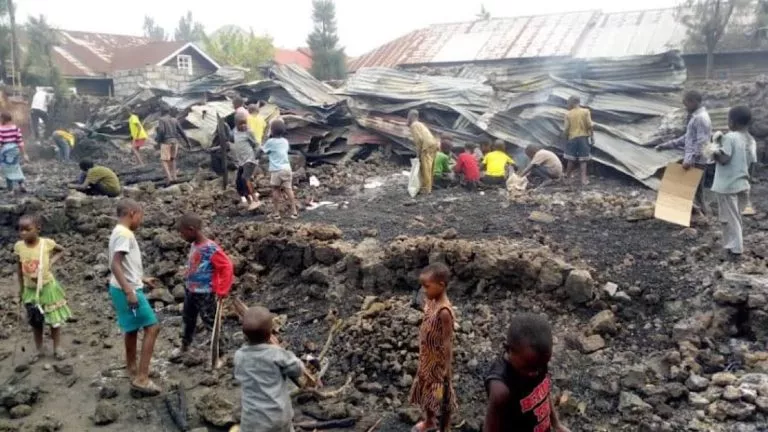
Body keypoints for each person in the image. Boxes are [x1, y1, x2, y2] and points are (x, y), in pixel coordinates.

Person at [108, 199, 162, 396]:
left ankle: (132, 367)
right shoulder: (125, 234)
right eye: (141, 216)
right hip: (127, 290)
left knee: (131, 328)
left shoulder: (117, 231)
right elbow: (115, 264)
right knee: (152, 327)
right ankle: (142, 378)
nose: (141, 221)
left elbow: (123, 265)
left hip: (119, 287)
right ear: (132, 213)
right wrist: (130, 291)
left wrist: (141, 278)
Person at [234, 306, 316, 432]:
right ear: (270, 333)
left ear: (244, 335)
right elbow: (297, 369)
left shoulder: (239, 356)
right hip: (279, 417)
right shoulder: (276, 353)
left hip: (253, 421)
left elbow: (240, 375)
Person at [484, 314, 570, 432]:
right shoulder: (501, 389)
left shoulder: (537, 362)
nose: (535, 373)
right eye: (528, 368)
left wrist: (556, 424)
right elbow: (490, 428)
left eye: (541, 366)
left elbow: (543, 395)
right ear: (508, 349)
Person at [15, 214, 73, 362]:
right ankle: (39, 349)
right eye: (20, 230)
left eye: (27, 229)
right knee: (36, 321)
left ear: (38, 229)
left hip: (47, 288)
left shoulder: (46, 244)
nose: (23, 233)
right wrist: (21, 289)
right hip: (30, 290)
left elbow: (62, 250)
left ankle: (57, 347)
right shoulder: (19, 247)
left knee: (54, 320)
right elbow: (19, 269)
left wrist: (51, 262)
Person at [175, 213, 234, 359]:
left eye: (182, 233)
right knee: (188, 319)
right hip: (191, 290)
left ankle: (220, 353)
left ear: (191, 229)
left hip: (205, 292)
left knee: (210, 322)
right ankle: (185, 346)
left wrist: (222, 290)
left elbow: (226, 266)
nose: (181, 237)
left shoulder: (210, 248)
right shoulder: (194, 245)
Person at [410, 263, 457, 432]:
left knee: (441, 395)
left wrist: (447, 367)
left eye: (427, 286)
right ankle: (429, 420)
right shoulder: (431, 301)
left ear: (441, 285)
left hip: (438, 363)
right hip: (427, 358)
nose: (424, 290)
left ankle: (444, 427)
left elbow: (447, 341)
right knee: (426, 390)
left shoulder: (444, 311)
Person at [656, 91, 712, 215]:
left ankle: (702, 217)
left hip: (697, 162)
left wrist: (689, 161)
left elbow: (702, 143)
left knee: (694, 191)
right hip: (696, 160)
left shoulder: (700, 119)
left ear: (693, 101)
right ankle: (702, 216)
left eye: (686, 103)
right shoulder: (696, 117)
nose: (685, 107)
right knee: (697, 192)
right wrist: (667, 145)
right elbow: (687, 138)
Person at [711, 106, 755, 260]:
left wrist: (714, 145)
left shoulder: (729, 137)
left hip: (727, 186)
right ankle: (731, 246)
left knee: (729, 218)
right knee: (735, 217)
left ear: (732, 122)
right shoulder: (750, 140)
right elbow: (752, 164)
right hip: (743, 185)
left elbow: (724, 159)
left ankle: (735, 249)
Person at [260, 118, 298, 220]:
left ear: (271, 131)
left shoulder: (270, 142)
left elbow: (262, 150)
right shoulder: (285, 141)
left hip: (276, 170)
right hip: (287, 169)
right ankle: (294, 211)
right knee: (289, 189)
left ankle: (276, 213)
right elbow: (284, 150)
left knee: (275, 189)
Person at [231, 113, 261, 210]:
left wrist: (256, 156)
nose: (243, 125)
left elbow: (256, 144)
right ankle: (249, 202)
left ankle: (255, 200)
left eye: (245, 123)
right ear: (236, 124)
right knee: (239, 182)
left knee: (245, 178)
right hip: (241, 161)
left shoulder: (249, 132)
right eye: (241, 124)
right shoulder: (234, 132)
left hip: (250, 159)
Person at [563, 96, 593, 186]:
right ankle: (583, 180)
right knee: (583, 160)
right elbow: (590, 125)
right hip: (584, 137)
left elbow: (566, 128)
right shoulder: (586, 111)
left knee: (570, 159)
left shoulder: (568, 114)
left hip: (572, 138)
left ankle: (567, 178)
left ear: (571, 103)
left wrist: (565, 138)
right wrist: (592, 136)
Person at [155, 106, 190, 184]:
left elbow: (161, 131)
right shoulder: (175, 120)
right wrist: (188, 142)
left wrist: (158, 141)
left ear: (161, 112)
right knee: (172, 159)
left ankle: (169, 178)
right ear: (169, 111)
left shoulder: (161, 119)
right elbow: (182, 132)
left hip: (166, 141)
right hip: (175, 142)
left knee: (164, 160)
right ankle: (175, 177)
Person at [408, 110, 439, 195]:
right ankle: (429, 187)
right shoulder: (421, 124)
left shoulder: (414, 125)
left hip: (426, 146)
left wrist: (418, 154)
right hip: (433, 144)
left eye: (408, 116)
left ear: (411, 116)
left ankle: (426, 189)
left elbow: (419, 140)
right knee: (430, 167)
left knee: (426, 168)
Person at [0, 112, 29, 193]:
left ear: (3, 119)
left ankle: (10, 190)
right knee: (16, 167)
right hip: (15, 150)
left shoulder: (1, 129)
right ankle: (21, 184)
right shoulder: (16, 128)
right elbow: (20, 142)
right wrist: (24, 154)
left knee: (7, 169)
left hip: (5, 151)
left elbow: (0, 142)